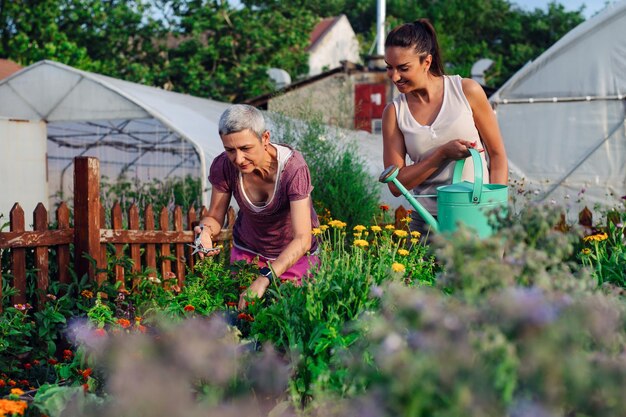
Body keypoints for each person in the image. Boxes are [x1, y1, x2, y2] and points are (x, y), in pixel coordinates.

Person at [382, 19, 508, 237]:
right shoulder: (394, 113)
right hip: (426, 224)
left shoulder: (466, 91)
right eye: (389, 68)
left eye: (403, 68)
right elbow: (396, 186)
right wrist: (441, 155)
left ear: (426, 62)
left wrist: (495, 213)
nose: (394, 77)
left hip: (476, 218)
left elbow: (497, 157)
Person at [195, 104, 320, 309]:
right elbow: (215, 217)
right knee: (243, 321)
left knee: (290, 320)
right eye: (230, 150)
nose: (238, 159)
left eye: (245, 148)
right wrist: (205, 232)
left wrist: (264, 278)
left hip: (292, 257)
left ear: (265, 138)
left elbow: (303, 239)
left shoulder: (293, 169)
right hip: (248, 254)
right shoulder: (224, 166)